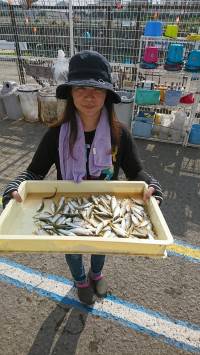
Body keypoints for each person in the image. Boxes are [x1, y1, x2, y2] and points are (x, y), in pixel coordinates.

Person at [2, 50, 163, 305]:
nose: (89, 96)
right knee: (72, 250)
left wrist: (152, 185)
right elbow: (34, 172)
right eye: (81, 89)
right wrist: (14, 186)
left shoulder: (120, 133)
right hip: (68, 210)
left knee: (101, 246)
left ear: (107, 96)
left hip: (105, 209)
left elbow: (137, 172)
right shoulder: (56, 135)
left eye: (97, 90)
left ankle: (96, 273)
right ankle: (80, 280)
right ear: (71, 94)